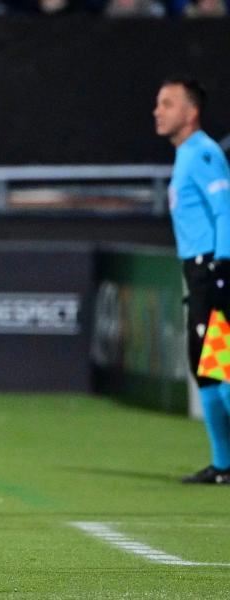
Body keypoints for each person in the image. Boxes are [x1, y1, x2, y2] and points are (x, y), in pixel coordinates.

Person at [154, 77, 230, 485]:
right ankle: (223, 464)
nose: (157, 111)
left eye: (167, 103)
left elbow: (225, 211)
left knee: (220, 367)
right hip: (199, 271)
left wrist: (222, 269)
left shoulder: (202, 154)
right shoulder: (187, 155)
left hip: (213, 270)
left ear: (191, 111)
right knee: (209, 370)